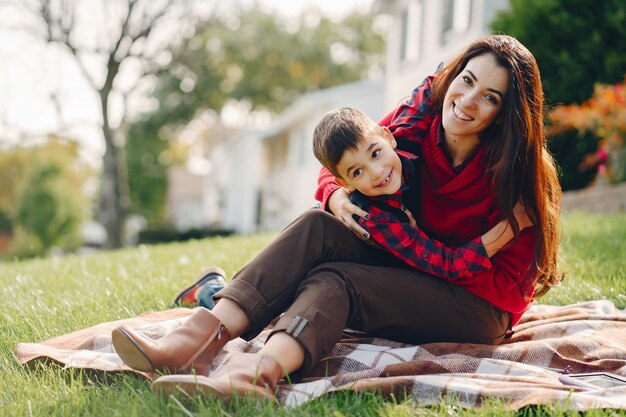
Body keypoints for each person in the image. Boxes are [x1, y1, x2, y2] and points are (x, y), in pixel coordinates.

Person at [111, 34, 562, 402]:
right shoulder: (417, 122)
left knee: (339, 280)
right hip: (418, 260)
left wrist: (480, 248)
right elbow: (347, 161)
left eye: (490, 98)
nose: (466, 101)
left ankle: (254, 376)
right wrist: (334, 199)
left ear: (506, 114)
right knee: (316, 225)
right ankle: (196, 340)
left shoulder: (519, 172)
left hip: (477, 302)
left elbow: (508, 287)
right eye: (465, 80)